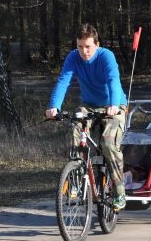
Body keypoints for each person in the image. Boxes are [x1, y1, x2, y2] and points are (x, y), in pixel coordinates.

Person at [46, 23, 128, 211]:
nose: (84, 51)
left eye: (88, 46)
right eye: (80, 46)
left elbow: (113, 80)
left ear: (96, 44)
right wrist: (54, 107)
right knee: (76, 128)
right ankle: (76, 179)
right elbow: (63, 81)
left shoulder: (106, 56)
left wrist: (114, 105)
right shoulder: (73, 57)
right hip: (90, 105)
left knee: (108, 143)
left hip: (114, 106)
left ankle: (119, 192)